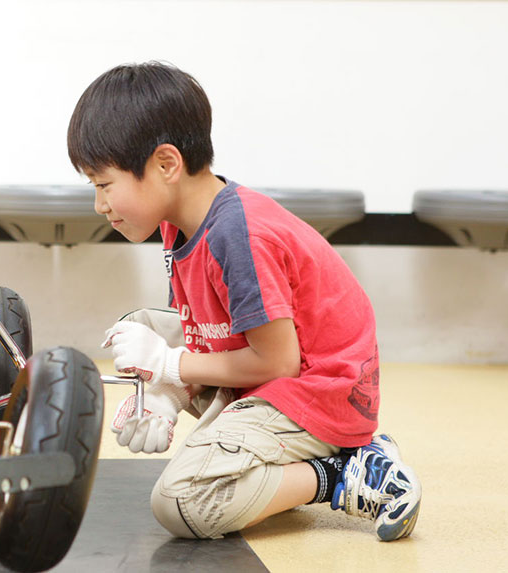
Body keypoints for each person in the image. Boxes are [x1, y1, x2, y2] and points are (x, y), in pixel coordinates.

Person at [66, 62, 421, 541]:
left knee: (182, 502)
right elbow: (202, 330)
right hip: (276, 369)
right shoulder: (178, 223)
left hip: (318, 390)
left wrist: (170, 367)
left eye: (104, 185)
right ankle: (297, 462)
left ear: (166, 165)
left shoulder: (238, 235)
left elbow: (278, 362)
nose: (100, 205)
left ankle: (344, 472)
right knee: (139, 327)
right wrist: (169, 396)